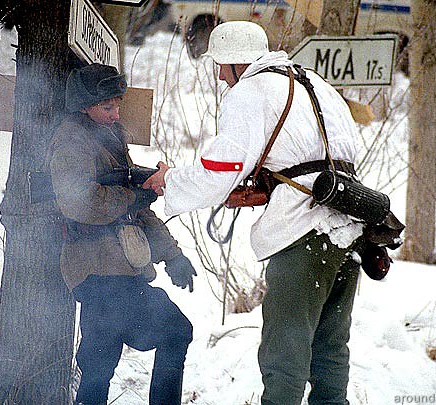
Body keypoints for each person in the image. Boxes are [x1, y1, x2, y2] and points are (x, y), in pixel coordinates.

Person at [143, 21, 365, 405]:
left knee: (285, 356)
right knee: (330, 352)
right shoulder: (315, 85)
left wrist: (171, 181)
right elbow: (331, 158)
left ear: (233, 63)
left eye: (220, 67)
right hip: (349, 228)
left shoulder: (251, 91)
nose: (219, 77)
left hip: (303, 234)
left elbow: (221, 168)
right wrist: (270, 187)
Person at [49, 63, 197, 405]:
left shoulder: (108, 137)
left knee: (101, 366)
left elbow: (137, 208)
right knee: (107, 363)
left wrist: (172, 255)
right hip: (97, 271)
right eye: (107, 107)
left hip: (121, 271)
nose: (116, 114)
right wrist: (134, 195)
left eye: (117, 105)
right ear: (84, 106)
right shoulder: (72, 140)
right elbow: (80, 203)